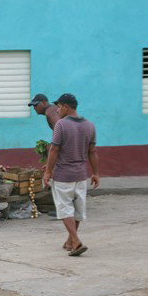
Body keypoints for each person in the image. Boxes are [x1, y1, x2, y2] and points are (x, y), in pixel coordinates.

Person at [43, 93, 100, 256]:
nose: (57, 110)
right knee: (76, 208)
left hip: (63, 174)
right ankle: (70, 240)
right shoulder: (90, 125)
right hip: (81, 174)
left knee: (64, 208)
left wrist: (48, 171)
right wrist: (95, 173)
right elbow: (92, 151)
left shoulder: (61, 125)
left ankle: (75, 241)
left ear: (66, 107)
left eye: (59, 107)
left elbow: (54, 149)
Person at [28, 93, 61, 217]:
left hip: (63, 147)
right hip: (66, 146)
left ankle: (62, 211)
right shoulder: (53, 110)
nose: (34, 108)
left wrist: (53, 147)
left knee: (58, 177)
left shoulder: (50, 112)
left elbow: (59, 128)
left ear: (43, 102)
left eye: (36, 105)